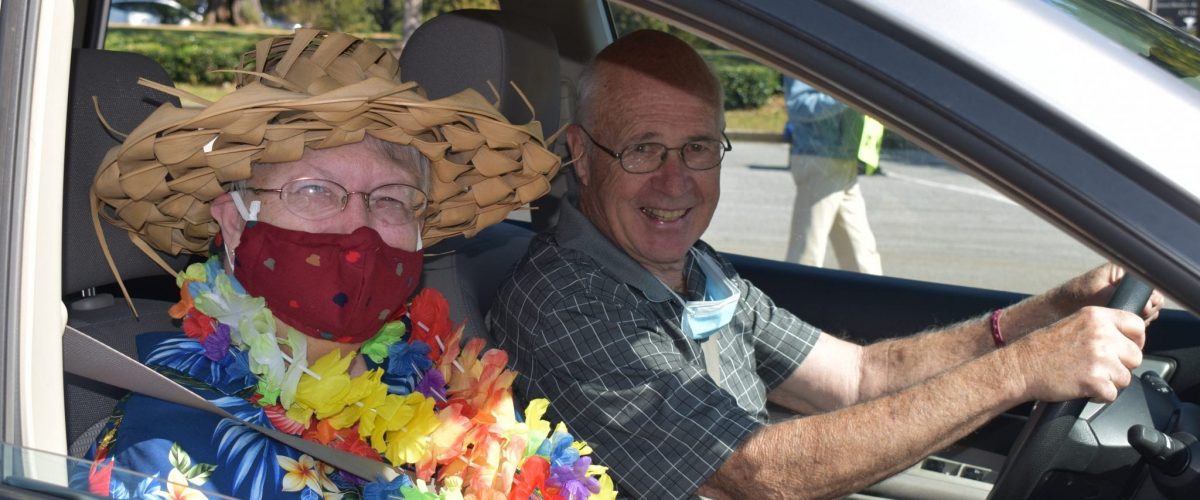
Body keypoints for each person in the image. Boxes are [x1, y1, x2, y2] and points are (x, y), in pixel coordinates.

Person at [488, 29, 1163, 499]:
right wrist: (1020, 372)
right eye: (643, 149)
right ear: (579, 153)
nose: (675, 182)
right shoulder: (563, 299)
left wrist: (1043, 316)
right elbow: (755, 476)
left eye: (697, 148)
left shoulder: (698, 271)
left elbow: (861, 376)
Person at [80, 30, 616, 499]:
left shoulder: (441, 382)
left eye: (390, 198)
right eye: (314, 190)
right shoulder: (172, 443)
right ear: (236, 225)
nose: (356, 231)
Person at [783, 76, 883, 274]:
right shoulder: (807, 54)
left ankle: (875, 299)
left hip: (845, 160)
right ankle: (791, 300)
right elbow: (798, 105)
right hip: (820, 159)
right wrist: (849, 98)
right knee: (807, 253)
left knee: (861, 252)